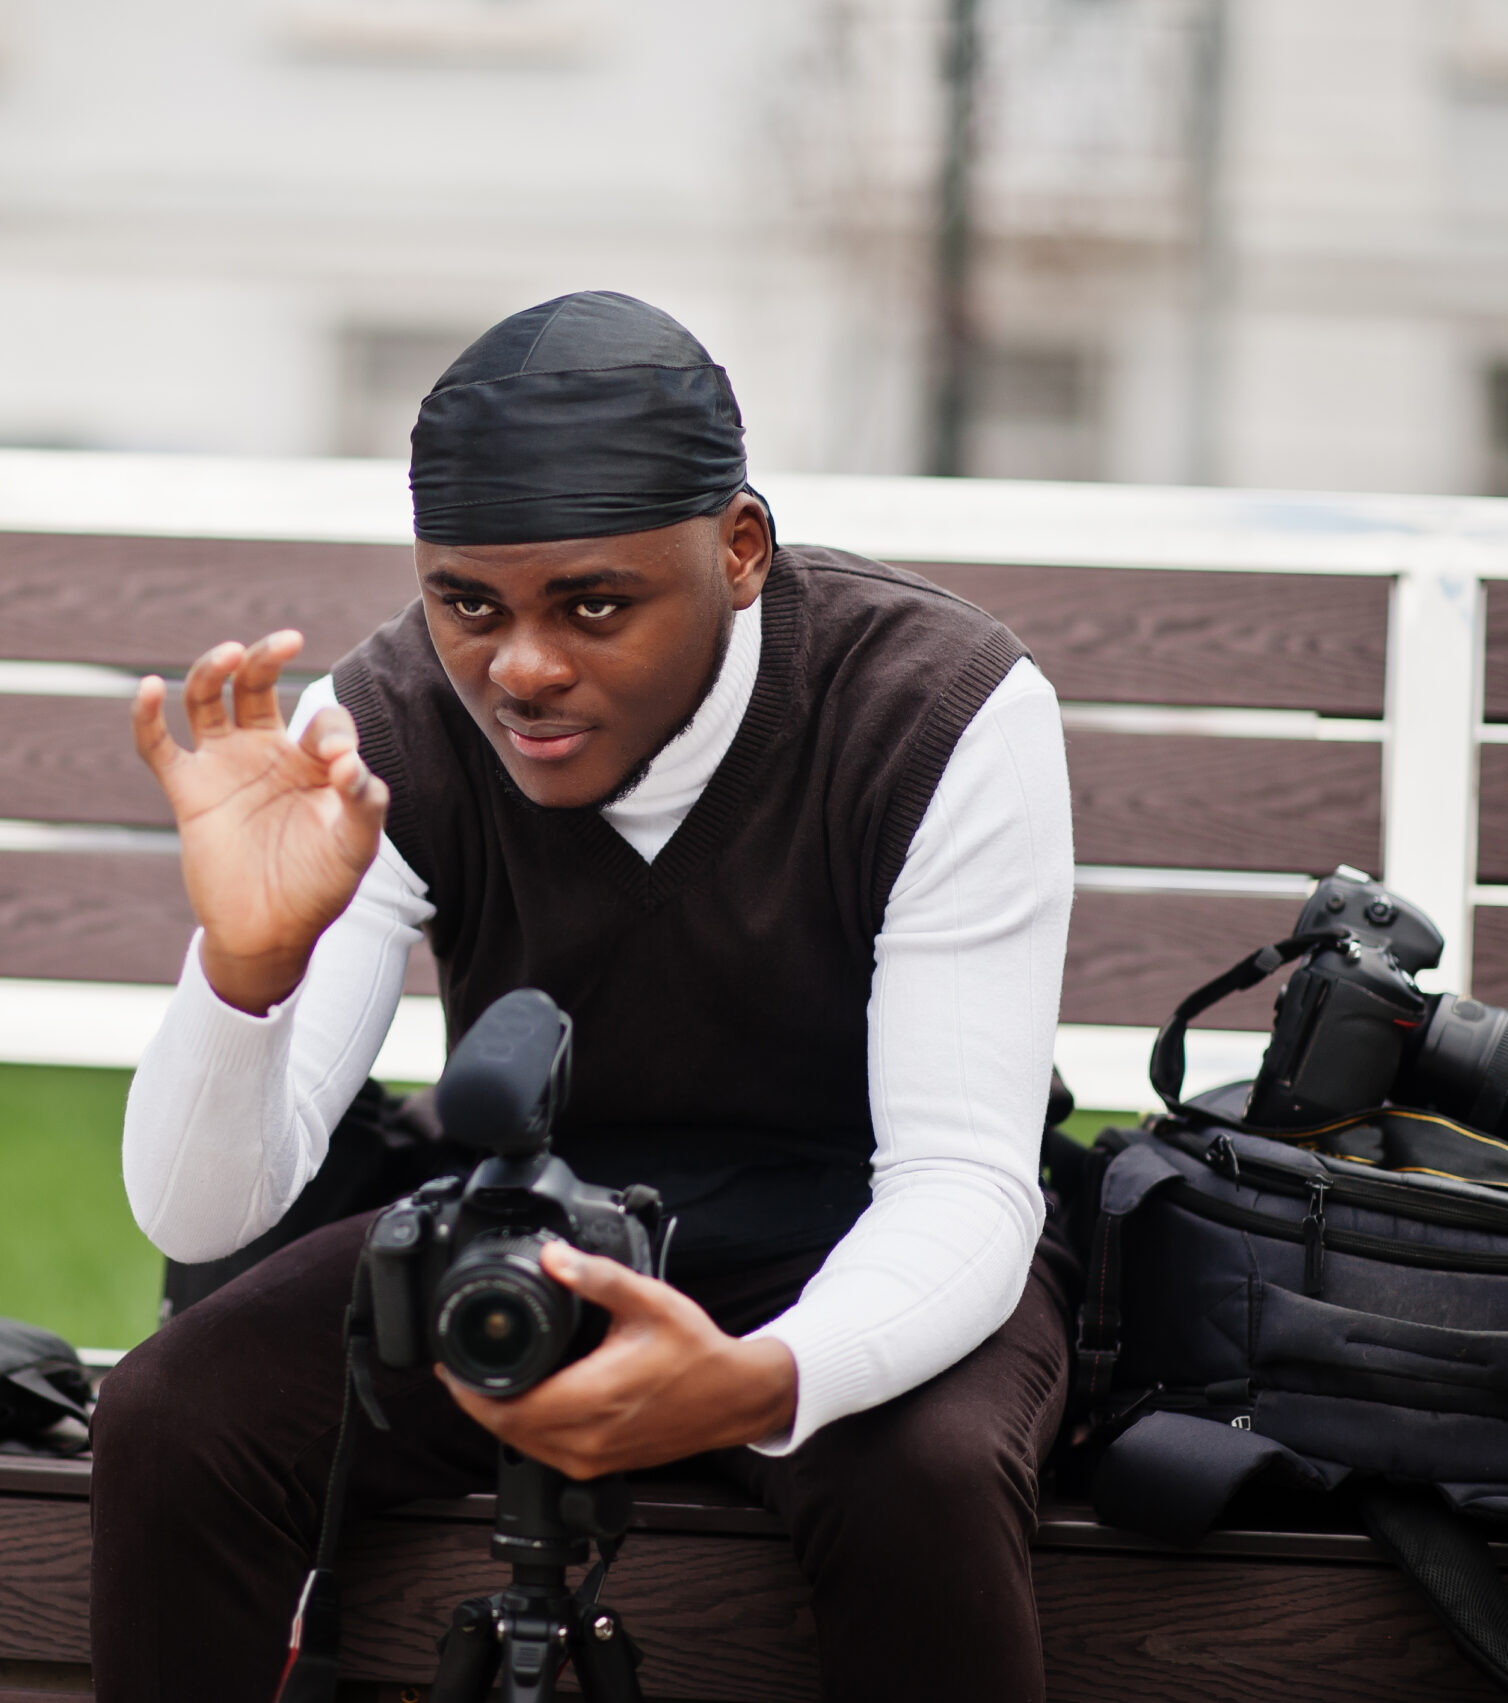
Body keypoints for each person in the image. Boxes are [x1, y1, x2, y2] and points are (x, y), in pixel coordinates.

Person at [91, 291, 1076, 1702]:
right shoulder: (389, 727)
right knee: (178, 1413)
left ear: (739, 551)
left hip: (864, 1221)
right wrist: (247, 969)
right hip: (531, 1223)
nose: (523, 668)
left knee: (919, 1474)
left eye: (594, 604)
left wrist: (763, 1380)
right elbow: (201, 1217)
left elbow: (964, 1182)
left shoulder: (937, 706)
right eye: (467, 605)